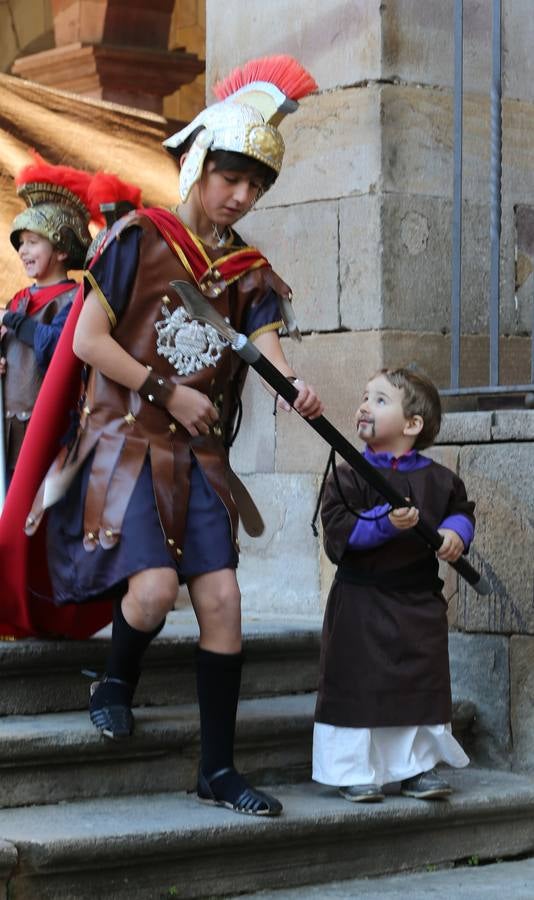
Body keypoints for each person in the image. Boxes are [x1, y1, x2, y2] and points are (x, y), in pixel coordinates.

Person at [26, 55, 323, 817]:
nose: (241, 196)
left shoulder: (251, 273)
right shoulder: (135, 239)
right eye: (232, 177)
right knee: (154, 593)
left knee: (222, 602)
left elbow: (268, 351)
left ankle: (217, 770)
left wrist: (297, 391)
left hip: (199, 457)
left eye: (256, 186)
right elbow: (91, 342)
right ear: (200, 164)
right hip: (126, 442)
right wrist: (166, 390)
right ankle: (117, 677)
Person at [313, 367, 475, 802]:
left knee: (417, 687)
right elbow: (339, 534)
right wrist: (384, 524)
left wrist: (457, 534)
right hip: (361, 601)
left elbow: (460, 510)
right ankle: (352, 770)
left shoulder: (439, 480)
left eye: (380, 400)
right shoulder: (348, 475)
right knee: (357, 686)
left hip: (418, 603)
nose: (365, 405)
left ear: (412, 425)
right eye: (365, 397)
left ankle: (417, 768)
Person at [0, 153, 93, 478]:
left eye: (33, 242)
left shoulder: (75, 299)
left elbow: (56, 346)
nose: (23, 251)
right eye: (21, 243)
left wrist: (14, 322)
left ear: (62, 249)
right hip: (6, 427)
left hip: (47, 428)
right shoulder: (18, 300)